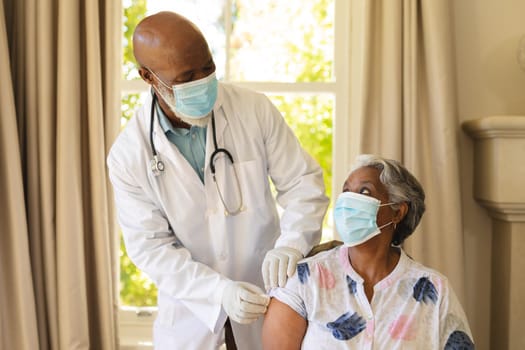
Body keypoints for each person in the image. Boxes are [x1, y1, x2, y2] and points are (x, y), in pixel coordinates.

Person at [107, 11, 329, 350]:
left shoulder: (253, 110)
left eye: (207, 68)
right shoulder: (128, 155)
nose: (201, 82)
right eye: (185, 77)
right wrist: (219, 292)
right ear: (147, 77)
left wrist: (292, 243)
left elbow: (303, 183)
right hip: (190, 319)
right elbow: (151, 248)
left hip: (268, 304)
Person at [262, 154, 474, 349]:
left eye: (364, 191)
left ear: (398, 212)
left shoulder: (435, 289)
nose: (348, 201)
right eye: (346, 191)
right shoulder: (303, 281)